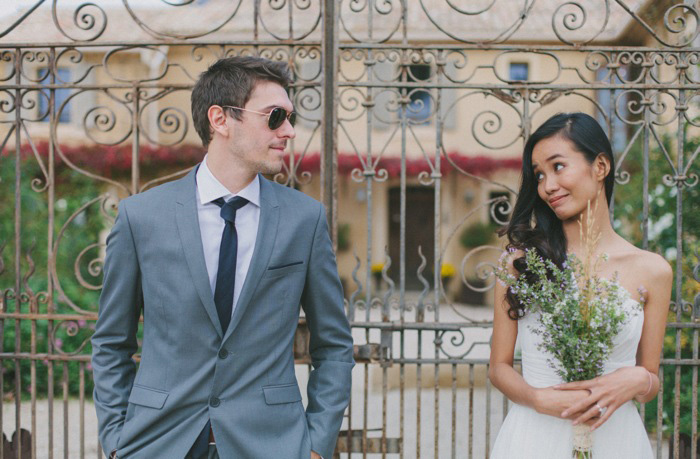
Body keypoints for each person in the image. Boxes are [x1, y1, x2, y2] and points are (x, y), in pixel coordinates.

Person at [91, 56, 354, 459]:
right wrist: (114, 440)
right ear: (220, 120)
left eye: (290, 117)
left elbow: (334, 345)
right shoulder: (141, 217)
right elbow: (111, 342)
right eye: (275, 116)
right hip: (157, 443)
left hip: (272, 445)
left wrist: (316, 445)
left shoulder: (305, 220)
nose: (289, 131)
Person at [489, 112, 672, 458]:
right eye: (539, 175)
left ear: (600, 166)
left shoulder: (653, 271)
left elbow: (650, 379)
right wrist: (536, 398)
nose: (547, 186)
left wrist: (639, 380)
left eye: (558, 167)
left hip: (616, 439)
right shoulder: (520, 263)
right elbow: (498, 368)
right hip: (534, 435)